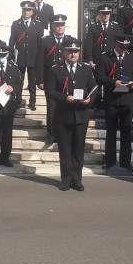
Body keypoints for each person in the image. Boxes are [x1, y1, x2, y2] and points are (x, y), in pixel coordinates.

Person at [48, 41, 97, 191]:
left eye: (76, 51)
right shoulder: (55, 69)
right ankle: (66, 179)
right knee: (65, 150)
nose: (73, 54)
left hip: (81, 115)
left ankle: (77, 179)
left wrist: (90, 99)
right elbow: (50, 91)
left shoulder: (86, 69)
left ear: (79, 53)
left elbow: (94, 87)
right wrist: (64, 98)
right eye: (70, 51)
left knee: (78, 150)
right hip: (63, 115)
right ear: (64, 52)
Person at [96, 33, 133, 173]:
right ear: (116, 44)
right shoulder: (105, 57)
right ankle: (110, 162)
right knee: (111, 133)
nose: (123, 50)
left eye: (126, 47)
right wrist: (113, 82)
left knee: (126, 132)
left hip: (127, 99)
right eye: (121, 47)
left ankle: (125, 162)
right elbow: (100, 77)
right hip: (112, 100)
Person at [36, 14, 75, 143]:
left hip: (66, 79)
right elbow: (40, 61)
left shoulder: (70, 40)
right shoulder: (45, 41)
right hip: (50, 80)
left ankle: (64, 132)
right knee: (52, 107)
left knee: (65, 106)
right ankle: (52, 134)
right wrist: (40, 80)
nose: (60, 28)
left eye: (62, 25)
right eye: (57, 25)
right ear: (52, 26)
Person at [0, 46, 22, 167]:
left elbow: (19, 84)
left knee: (7, 133)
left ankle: (5, 157)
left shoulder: (14, 68)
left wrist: (13, 88)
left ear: (7, 55)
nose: (1, 57)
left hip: (9, 105)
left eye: (3, 55)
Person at [9, 1, 43, 111]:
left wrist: (40, 58)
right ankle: (18, 101)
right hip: (20, 57)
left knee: (32, 82)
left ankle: (32, 102)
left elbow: (40, 44)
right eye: (24, 10)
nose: (26, 12)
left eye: (28, 10)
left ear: (32, 12)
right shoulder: (16, 24)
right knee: (19, 81)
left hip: (33, 57)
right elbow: (12, 41)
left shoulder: (38, 25)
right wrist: (10, 56)